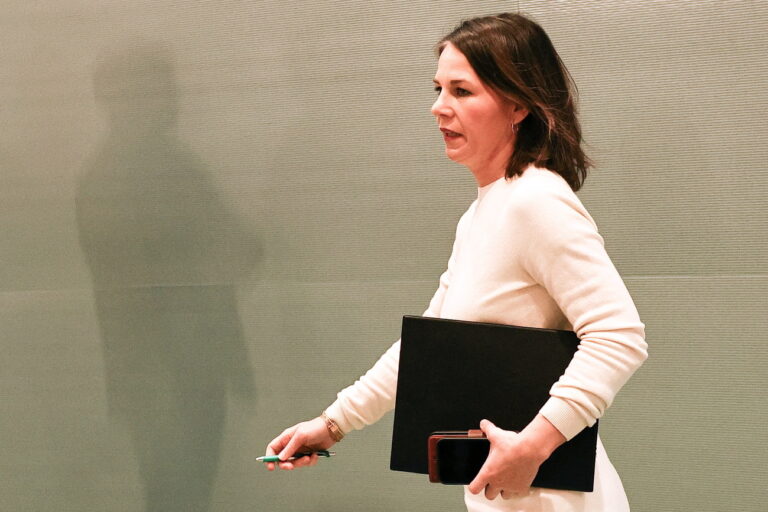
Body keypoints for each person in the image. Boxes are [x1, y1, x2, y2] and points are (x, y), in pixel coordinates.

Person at [263, 12, 648, 512]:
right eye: (439, 89)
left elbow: (619, 336)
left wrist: (533, 446)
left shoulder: (536, 202)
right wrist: (333, 423)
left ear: (519, 106)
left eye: (462, 92)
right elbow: (428, 348)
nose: (438, 108)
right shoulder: (485, 211)